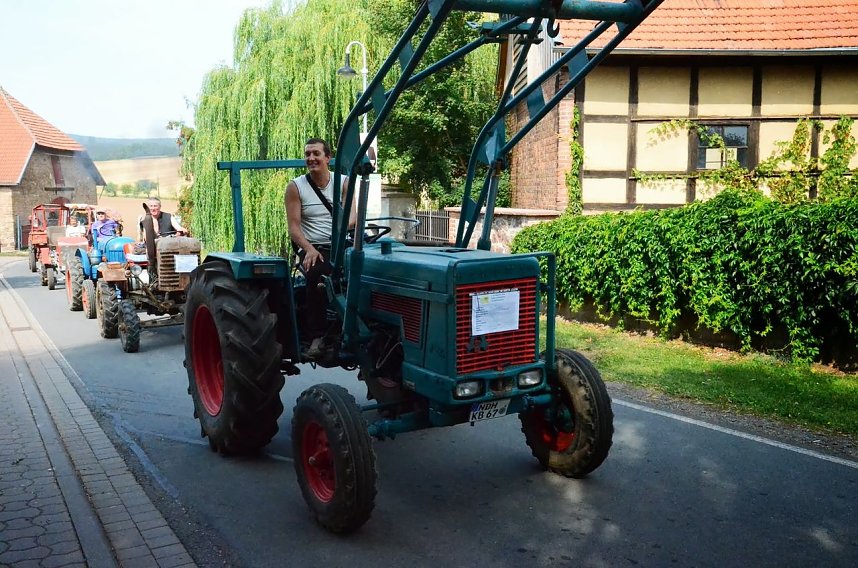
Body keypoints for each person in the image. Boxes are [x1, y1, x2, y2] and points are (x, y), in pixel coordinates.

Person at [285, 138, 356, 357]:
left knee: (368, 270)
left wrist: (341, 234)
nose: (311, 158)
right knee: (318, 272)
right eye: (307, 154)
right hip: (314, 246)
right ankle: (316, 336)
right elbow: (294, 228)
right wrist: (309, 249)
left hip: (342, 243)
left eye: (316, 153)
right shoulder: (296, 187)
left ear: (328, 158)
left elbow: (352, 218)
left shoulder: (344, 183)